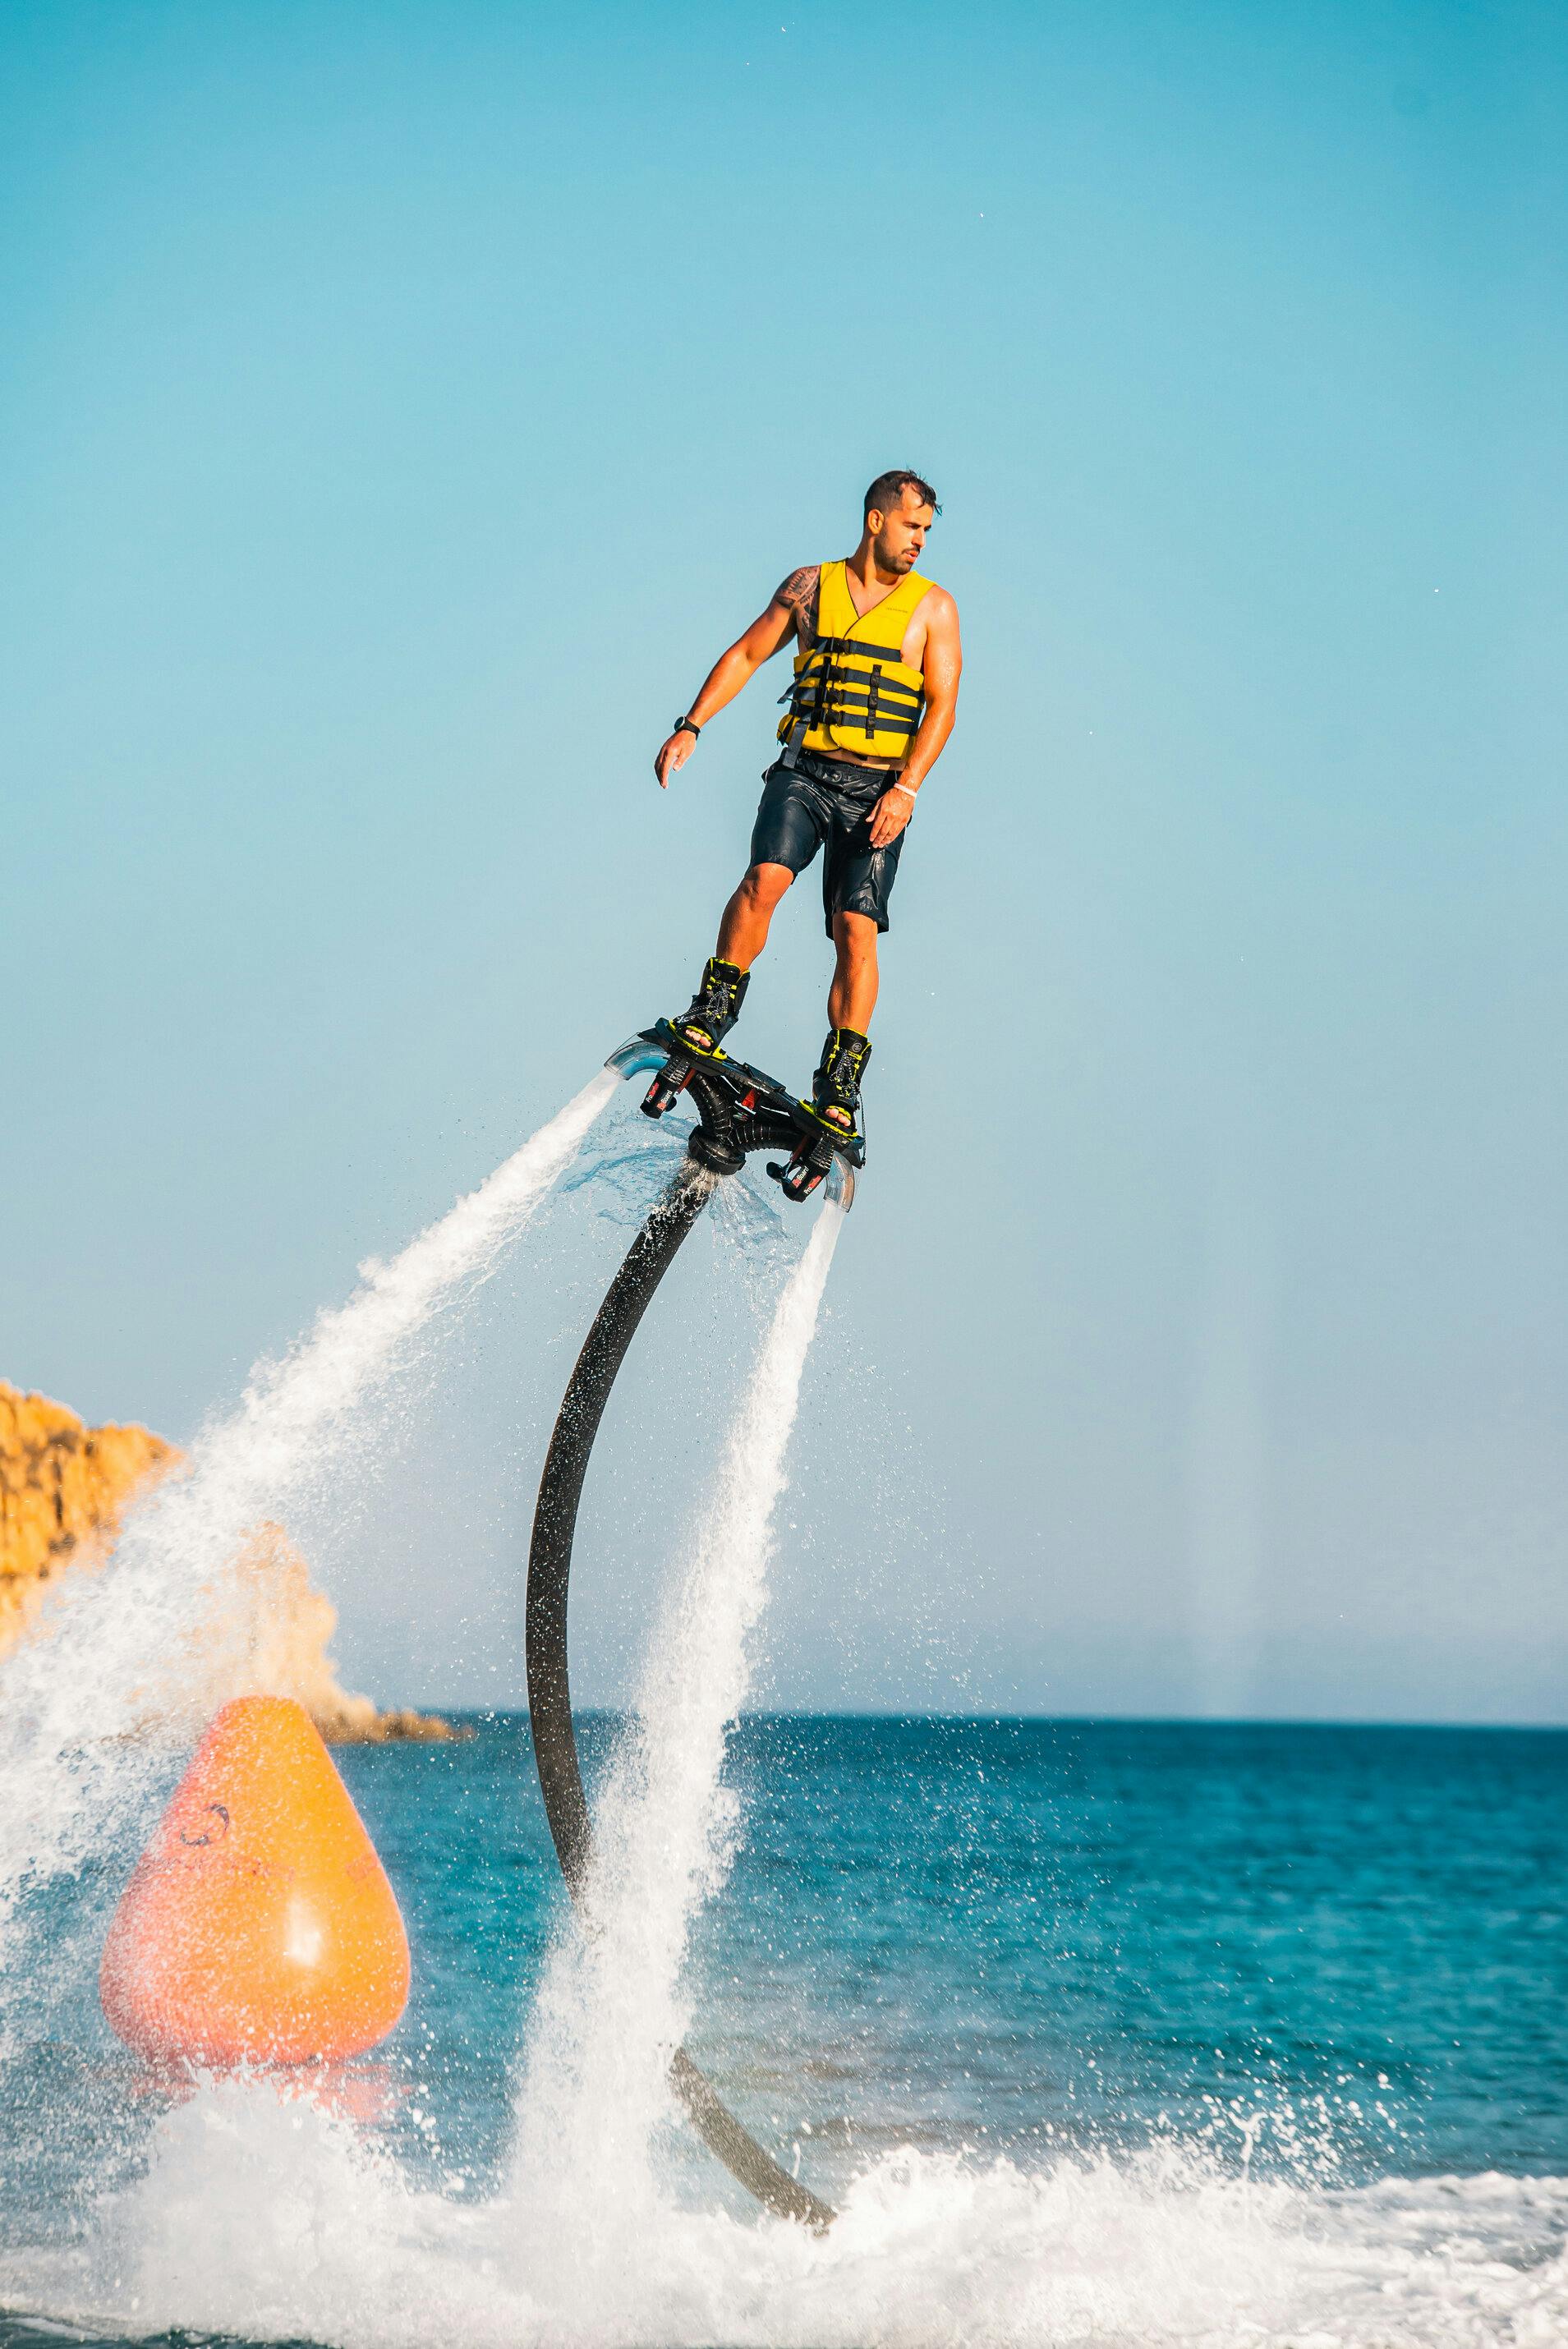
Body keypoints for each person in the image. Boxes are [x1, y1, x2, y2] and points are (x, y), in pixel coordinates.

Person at [652, 469, 963, 1152]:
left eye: (928, 532)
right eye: (912, 526)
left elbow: (941, 706)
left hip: (879, 791)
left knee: (856, 928)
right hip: (804, 772)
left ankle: (841, 1080)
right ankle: (713, 1008)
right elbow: (746, 653)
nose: (920, 541)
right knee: (764, 879)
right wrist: (690, 725)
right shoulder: (808, 586)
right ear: (876, 521)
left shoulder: (933, 608)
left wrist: (905, 791)